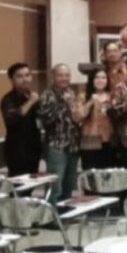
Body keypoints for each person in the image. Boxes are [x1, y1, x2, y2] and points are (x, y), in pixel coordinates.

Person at [38, 64, 80, 204]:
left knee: (69, 184)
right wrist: (63, 104)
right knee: (55, 186)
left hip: (72, 145)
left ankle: (65, 212)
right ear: (53, 77)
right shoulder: (47, 95)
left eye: (67, 75)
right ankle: (51, 213)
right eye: (60, 75)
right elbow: (45, 120)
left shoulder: (72, 93)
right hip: (56, 146)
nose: (64, 78)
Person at [1, 63, 42, 177]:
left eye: (27, 75)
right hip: (17, 151)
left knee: (33, 183)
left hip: (34, 148)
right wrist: (30, 102)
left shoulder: (31, 96)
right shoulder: (8, 99)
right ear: (12, 80)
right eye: (20, 76)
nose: (25, 79)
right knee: (20, 184)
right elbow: (12, 118)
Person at [76, 69, 114, 171]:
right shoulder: (83, 96)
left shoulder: (112, 96)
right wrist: (90, 102)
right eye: (97, 77)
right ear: (92, 80)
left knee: (107, 174)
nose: (100, 80)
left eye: (103, 78)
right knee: (90, 174)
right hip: (90, 142)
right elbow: (78, 116)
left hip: (109, 141)